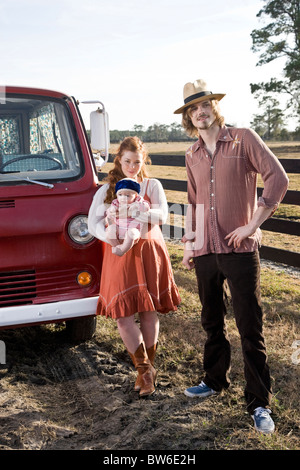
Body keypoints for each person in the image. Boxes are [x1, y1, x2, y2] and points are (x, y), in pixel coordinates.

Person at [174, 79, 289, 434]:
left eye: (205, 105)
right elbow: (193, 204)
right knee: (211, 320)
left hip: (239, 251)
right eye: (193, 109)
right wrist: (190, 245)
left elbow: (278, 179)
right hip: (206, 251)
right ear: (188, 117)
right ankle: (214, 380)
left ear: (214, 106)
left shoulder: (243, 139)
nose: (200, 112)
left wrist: (253, 224)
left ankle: (259, 403)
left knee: (249, 327)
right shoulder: (191, 154)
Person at [88, 136, 181, 397]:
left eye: (137, 162)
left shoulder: (152, 185)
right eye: (127, 161)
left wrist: (138, 213)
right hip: (118, 254)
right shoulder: (107, 189)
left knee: (149, 311)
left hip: (149, 250)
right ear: (119, 160)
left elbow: (162, 214)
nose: (132, 166)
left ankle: (145, 372)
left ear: (143, 161)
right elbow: (93, 221)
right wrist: (110, 236)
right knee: (123, 316)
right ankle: (145, 370)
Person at [105, 178, 150, 256]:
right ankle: (117, 246)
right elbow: (108, 214)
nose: (123, 198)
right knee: (110, 230)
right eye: (120, 195)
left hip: (134, 230)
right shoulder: (116, 203)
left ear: (135, 195)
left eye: (127, 195)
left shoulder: (139, 201)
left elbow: (146, 207)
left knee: (131, 233)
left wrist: (136, 206)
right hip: (119, 230)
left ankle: (122, 250)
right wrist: (112, 210)